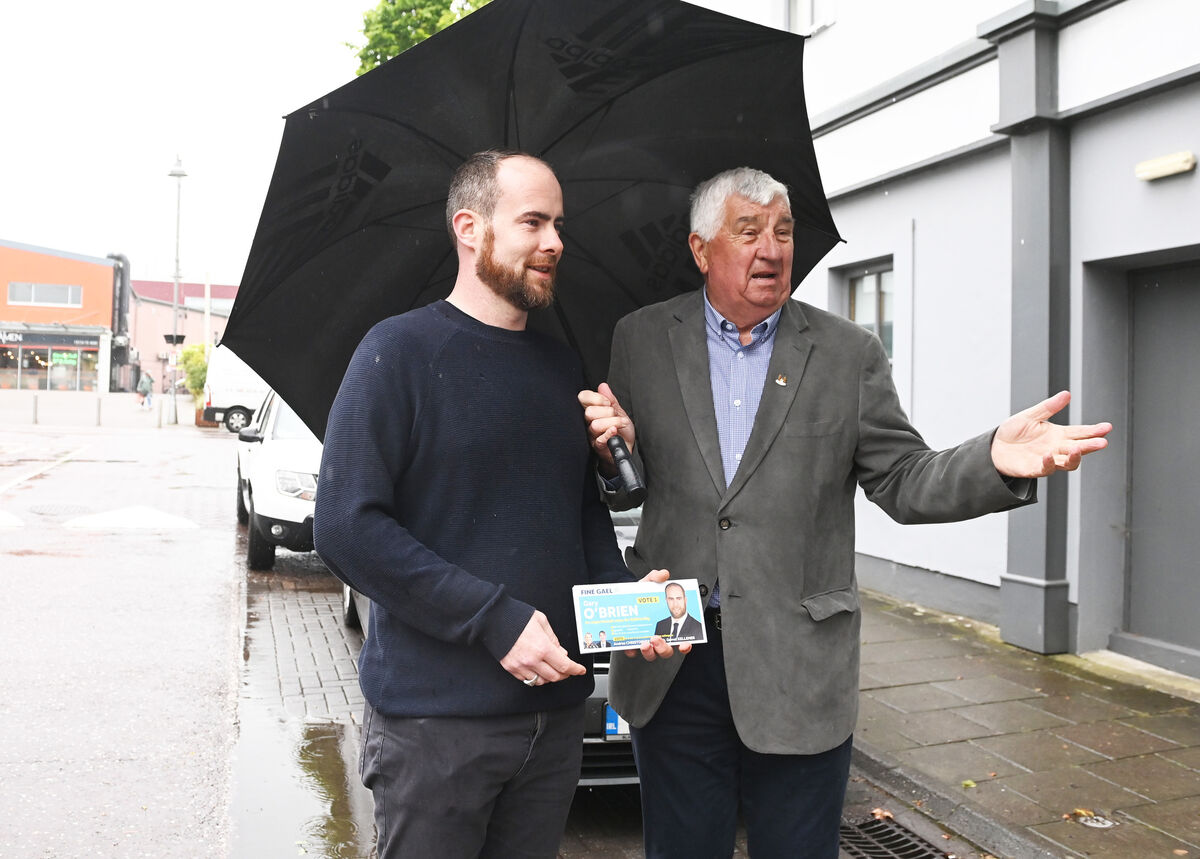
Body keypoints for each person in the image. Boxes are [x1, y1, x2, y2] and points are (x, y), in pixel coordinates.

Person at [578, 166, 1112, 859]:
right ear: (702, 248)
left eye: (783, 231)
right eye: (749, 231)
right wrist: (612, 451)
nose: (772, 249)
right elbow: (627, 493)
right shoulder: (641, 339)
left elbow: (903, 479)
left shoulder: (845, 353)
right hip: (673, 657)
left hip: (801, 665)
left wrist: (992, 460)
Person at [313, 150, 677, 859]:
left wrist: (626, 605)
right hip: (434, 730)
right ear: (470, 228)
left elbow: (577, 522)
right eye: (534, 222)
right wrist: (493, 618)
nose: (556, 244)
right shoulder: (398, 353)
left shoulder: (560, 368)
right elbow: (347, 528)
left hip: (552, 724)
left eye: (559, 225)